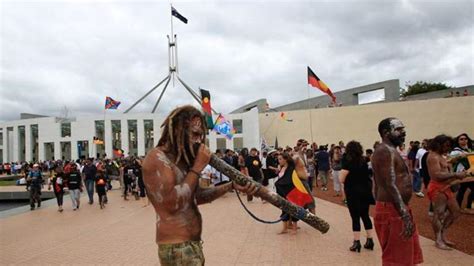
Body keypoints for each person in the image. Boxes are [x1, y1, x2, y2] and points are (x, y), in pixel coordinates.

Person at [142, 105, 258, 265]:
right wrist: (197, 167)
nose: (198, 141)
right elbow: (171, 203)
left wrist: (230, 186)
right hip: (177, 249)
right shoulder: (157, 158)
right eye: (195, 134)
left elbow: (195, 197)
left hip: (191, 246)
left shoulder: (180, 160)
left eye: (201, 136)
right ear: (177, 130)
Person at [372, 118, 423, 265]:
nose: (404, 132)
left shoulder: (391, 151)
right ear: (386, 133)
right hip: (394, 211)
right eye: (399, 129)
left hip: (396, 209)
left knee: (406, 258)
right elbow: (390, 184)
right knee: (397, 261)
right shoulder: (384, 151)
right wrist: (404, 215)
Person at [427, 134, 468, 250]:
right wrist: (456, 174)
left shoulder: (440, 155)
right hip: (437, 188)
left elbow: (444, 167)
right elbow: (437, 175)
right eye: (445, 146)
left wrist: (452, 161)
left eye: (449, 146)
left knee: (455, 212)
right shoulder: (433, 157)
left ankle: (442, 234)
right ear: (438, 145)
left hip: (446, 187)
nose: (447, 148)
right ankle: (438, 239)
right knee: (439, 213)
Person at [338, 141, 375, 252]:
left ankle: (356, 242)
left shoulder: (347, 161)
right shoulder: (364, 160)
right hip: (365, 191)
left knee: (355, 217)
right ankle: (370, 240)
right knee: (365, 215)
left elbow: (341, 179)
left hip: (353, 192)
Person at [450, 133, 473, 214]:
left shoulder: (469, 149)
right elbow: (453, 156)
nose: (464, 141)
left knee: (462, 190)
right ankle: (466, 207)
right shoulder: (456, 150)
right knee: (463, 190)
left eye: (465, 139)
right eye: (461, 139)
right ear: (458, 141)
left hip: (469, 173)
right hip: (462, 174)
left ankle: (458, 207)